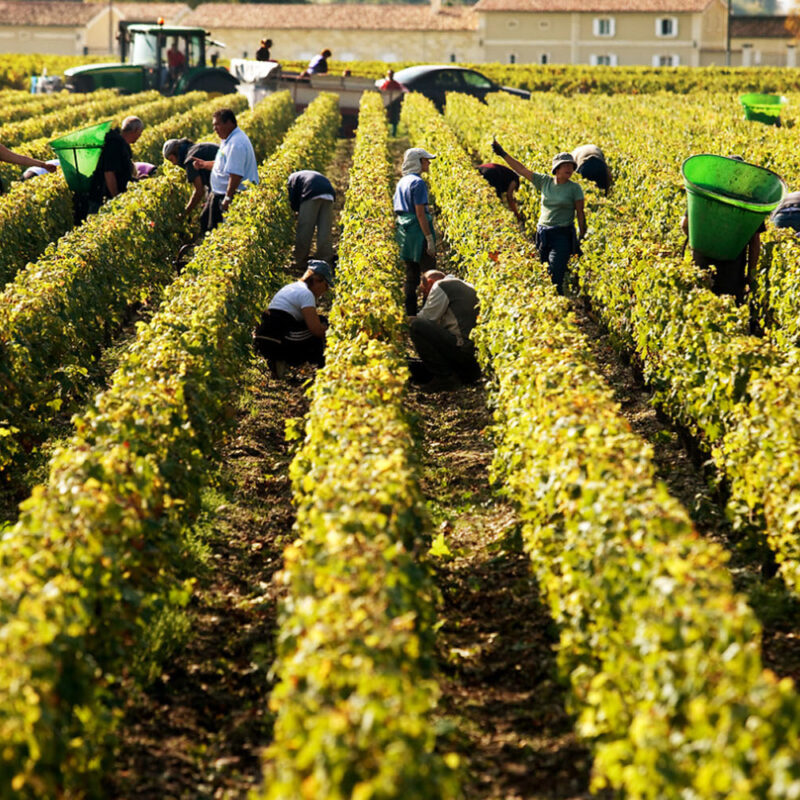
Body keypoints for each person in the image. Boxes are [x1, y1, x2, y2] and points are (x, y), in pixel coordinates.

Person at [492, 139, 586, 294]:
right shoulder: (544, 182)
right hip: (543, 233)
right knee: (543, 270)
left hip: (562, 234)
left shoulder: (575, 189)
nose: (570, 168)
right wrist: (503, 154)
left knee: (556, 271)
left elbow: (580, 213)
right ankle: (550, 302)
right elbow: (521, 169)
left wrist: (581, 234)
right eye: (566, 165)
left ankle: (558, 301)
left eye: (571, 166)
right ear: (557, 168)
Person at [681, 156, 764, 306]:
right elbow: (754, 242)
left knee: (700, 308)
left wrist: (700, 243)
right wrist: (751, 275)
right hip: (732, 270)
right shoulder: (751, 203)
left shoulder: (705, 193)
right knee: (730, 313)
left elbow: (684, 225)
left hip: (701, 261)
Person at [253, 259, 334, 378]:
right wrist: (333, 333)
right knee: (322, 323)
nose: (326, 290)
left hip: (263, 338)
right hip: (279, 339)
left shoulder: (291, 287)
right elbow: (316, 330)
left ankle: (278, 361)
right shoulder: (306, 294)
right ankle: (323, 369)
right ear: (316, 280)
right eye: (326, 285)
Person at [409, 270, 481, 392]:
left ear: (430, 282)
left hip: (463, 352)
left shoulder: (442, 285)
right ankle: (452, 375)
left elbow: (426, 318)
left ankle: (444, 379)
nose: (426, 297)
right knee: (414, 367)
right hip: (474, 361)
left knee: (416, 325)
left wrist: (400, 320)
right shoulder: (463, 285)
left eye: (425, 292)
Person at [189, 108, 258, 234]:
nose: (215, 129)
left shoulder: (236, 144)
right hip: (219, 194)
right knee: (208, 225)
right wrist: (204, 165)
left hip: (231, 196)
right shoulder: (228, 140)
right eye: (213, 125)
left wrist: (228, 198)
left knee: (221, 232)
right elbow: (224, 166)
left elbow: (236, 174)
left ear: (229, 123)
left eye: (217, 125)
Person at [393, 147, 437, 316]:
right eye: (426, 160)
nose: (428, 163)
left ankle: (410, 313)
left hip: (405, 231)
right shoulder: (418, 183)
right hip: (418, 232)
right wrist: (429, 239)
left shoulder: (402, 181)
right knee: (429, 275)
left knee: (411, 275)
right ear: (417, 162)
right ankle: (428, 314)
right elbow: (420, 213)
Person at [83, 115, 144, 218]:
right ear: (136, 130)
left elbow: (121, 174)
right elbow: (109, 173)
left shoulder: (122, 144)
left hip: (104, 196)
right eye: (140, 132)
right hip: (101, 198)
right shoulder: (115, 144)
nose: (140, 136)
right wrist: (116, 198)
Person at [287, 169, 335, 267]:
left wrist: (296, 211)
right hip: (329, 194)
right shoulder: (304, 175)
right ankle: (325, 259)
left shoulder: (291, 179)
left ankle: (300, 260)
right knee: (325, 229)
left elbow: (293, 198)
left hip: (311, 192)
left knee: (305, 228)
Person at [162, 137, 219, 215]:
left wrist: (185, 213)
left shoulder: (190, 160)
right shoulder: (195, 149)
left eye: (172, 160)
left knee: (206, 219)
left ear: (176, 153)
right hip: (227, 178)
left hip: (224, 183)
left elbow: (199, 191)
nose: (173, 164)